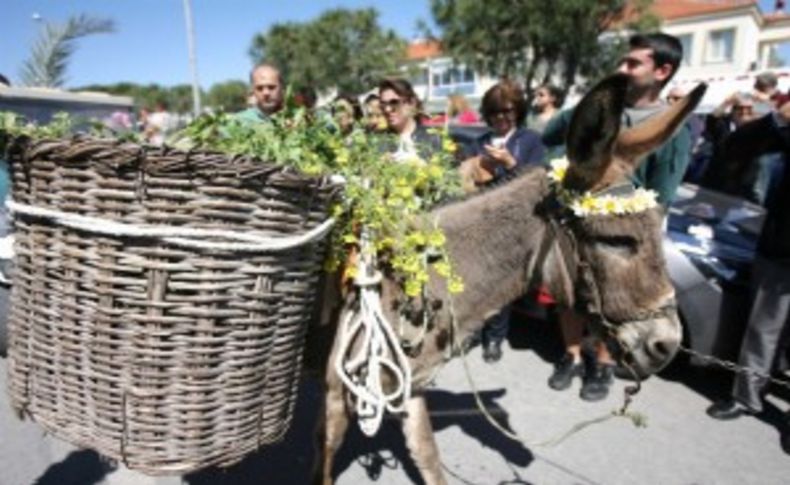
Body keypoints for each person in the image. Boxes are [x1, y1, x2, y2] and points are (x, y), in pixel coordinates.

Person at [542, 33, 691, 401]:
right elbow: (549, 134)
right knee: (569, 297)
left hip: (619, 236)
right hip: (574, 225)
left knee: (614, 301)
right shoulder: (605, 108)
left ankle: (605, 363)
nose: (621, 68)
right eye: (623, 61)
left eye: (633, 63)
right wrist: (592, 102)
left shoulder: (670, 126)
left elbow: (662, 196)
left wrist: (635, 247)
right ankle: (573, 354)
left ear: (662, 71)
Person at [705, 102, 790, 457]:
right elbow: (735, 147)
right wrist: (776, 117)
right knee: (763, 329)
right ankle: (746, 397)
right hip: (781, 249)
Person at [460, 80, 546, 363]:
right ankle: (472, 331)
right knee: (473, 282)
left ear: (517, 111)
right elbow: (463, 181)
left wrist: (510, 164)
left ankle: (495, 337)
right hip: (479, 221)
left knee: (500, 286)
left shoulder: (530, 140)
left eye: (507, 111)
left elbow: (537, 183)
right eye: (495, 112)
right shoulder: (478, 141)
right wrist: (477, 168)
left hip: (512, 224)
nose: (501, 118)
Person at [378, 78, 441, 163]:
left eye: (394, 102)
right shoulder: (377, 140)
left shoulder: (434, 138)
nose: (387, 109)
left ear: (411, 103)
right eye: (383, 104)